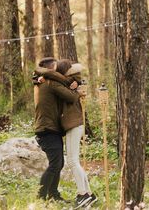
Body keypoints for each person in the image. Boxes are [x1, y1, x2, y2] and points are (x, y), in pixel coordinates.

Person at [35, 59, 97, 209]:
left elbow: (70, 88)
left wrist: (75, 87)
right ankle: (44, 195)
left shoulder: (57, 82)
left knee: (66, 162)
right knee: (61, 163)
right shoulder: (51, 82)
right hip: (49, 128)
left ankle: (82, 194)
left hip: (65, 126)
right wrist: (75, 90)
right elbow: (69, 95)